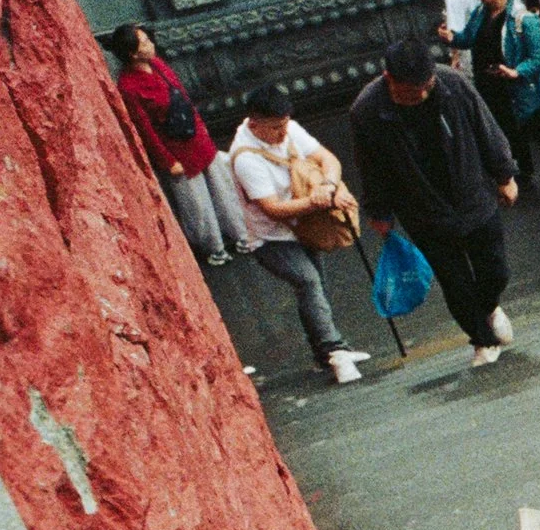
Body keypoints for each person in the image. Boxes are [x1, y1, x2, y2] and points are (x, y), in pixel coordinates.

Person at [350, 38, 520, 367]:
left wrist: (505, 174)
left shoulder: (451, 84)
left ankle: (487, 308)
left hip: (472, 195)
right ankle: (482, 341)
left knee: (496, 270)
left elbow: (485, 127)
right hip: (422, 210)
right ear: (390, 80)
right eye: (413, 92)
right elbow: (370, 166)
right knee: (455, 282)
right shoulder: (368, 111)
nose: (423, 96)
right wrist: (379, 210)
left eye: (427, 87)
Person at [227, 83, 371, 385]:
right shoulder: (245, 157)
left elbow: (328, 159)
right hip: (269, 238)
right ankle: (335, 350)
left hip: (305, 227)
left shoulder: (290, 128)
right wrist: (317, 201)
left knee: (314, 285)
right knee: (308, 281)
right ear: (255, 124)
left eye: (285, 125)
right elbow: (273, 209)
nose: (283, 134)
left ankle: (323, 355)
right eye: (276, 128)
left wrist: (329, 186)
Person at [109, 24, 243, 266]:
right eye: (145, 42)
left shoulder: (158, 65)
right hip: (176, 150)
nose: (151, 43)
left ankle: (240, 234)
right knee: (196, 203)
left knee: (223, 189)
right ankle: (213, 247)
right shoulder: (128, 87)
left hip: (196, 139)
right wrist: (168, 161)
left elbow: (183, 98)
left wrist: (202, 130)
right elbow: (145, 131)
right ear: (133, 53)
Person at [449, 0, 540, 202]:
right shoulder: (481, 13)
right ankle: (524, 173)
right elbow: (468, 38)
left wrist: (517, 72)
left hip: (524, 90)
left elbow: (539, 57)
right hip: (493, 86)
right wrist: (452, 37)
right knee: (509, 133)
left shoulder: (523, 20)